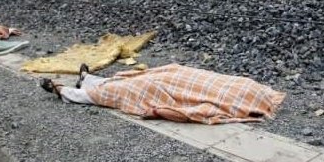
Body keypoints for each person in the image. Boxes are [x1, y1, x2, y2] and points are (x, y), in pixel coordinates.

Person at [40, 63, 285, 124]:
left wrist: (158, 110)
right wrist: (159, 111)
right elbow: (193, 114)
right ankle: (89, 82)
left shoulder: (250, 87)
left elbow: (188, 112)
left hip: (176, 79)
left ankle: (71, 91)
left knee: (136, 84)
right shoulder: (234, 103)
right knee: (135, 85)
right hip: (180, 80)